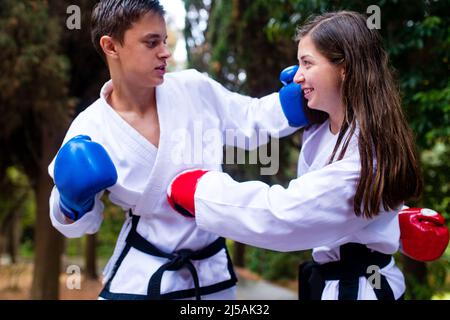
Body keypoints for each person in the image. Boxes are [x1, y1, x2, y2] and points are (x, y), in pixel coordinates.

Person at [166, 11, 449, 300]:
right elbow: (341, 205)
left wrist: (201, 192)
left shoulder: (365, 153)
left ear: (345, 68)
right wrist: (389, 221)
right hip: (336, 281)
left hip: (359, 290)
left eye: (307, 63)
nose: (296, 75)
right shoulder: (324, 130)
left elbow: (284, 217)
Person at [48, 0, 307, 300]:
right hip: (142, 279)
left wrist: (299, 101)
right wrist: (70, 203)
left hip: (211, 279)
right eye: (151, 42)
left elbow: (251, 118)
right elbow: (79, 226)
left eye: (165, 41)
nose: (165, 52)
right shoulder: (90, 127)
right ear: (111, 46)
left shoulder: (194, 88)